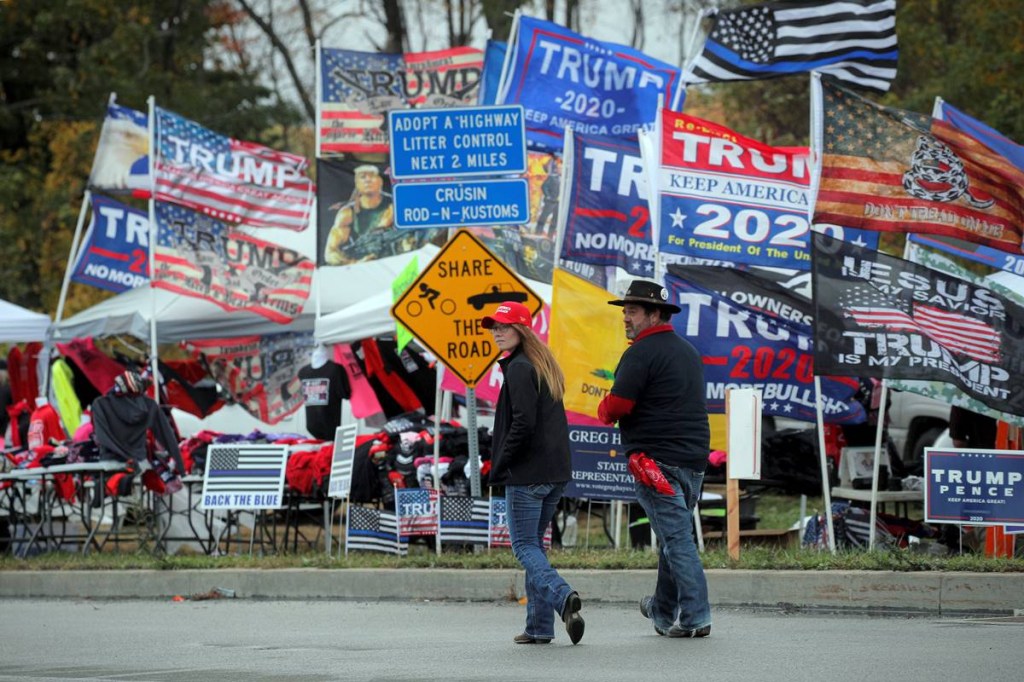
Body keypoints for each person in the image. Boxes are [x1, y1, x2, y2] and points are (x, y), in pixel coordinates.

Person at [597, 279, 712, 638]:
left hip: (655, 464)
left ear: (654, 314)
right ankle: (662, 611)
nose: (625, 318)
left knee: (677, 541)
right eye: (625, 311)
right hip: (693, 461)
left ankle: (696, 616)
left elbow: (616, 407)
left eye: (632, 311)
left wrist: (603, 406)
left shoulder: (640, 353)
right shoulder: (687, 351)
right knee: (671, 537)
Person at [481, 301, 584, 646]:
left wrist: (499, 464)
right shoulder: (541, 364)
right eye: (493, 326)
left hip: (528, 474)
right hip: (553, 473)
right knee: (534, 547)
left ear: (522, 330)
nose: (497, 331)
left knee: (523, 545)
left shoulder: (520, 368)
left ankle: (562, 595)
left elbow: (523, 423)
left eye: (504, 326)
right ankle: (539, 627)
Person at [323, 164, 394, 265]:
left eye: (372, 176)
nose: (367, 180)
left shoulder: (394, 205)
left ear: (380, 181)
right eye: (363, 177)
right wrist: (356, 263)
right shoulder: (347, 213)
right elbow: (330, 253)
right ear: (357, 184)